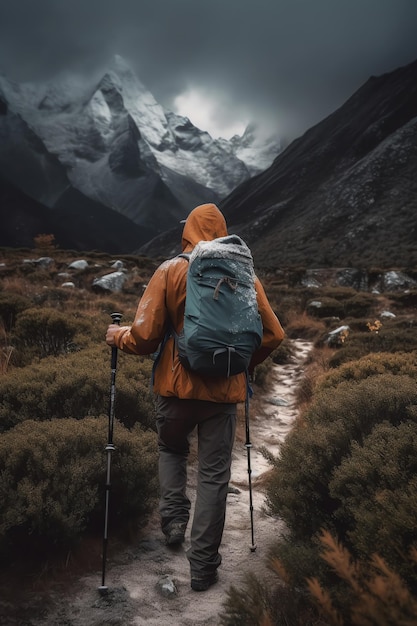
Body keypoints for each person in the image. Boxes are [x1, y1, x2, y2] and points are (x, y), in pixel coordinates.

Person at [106, 203, 285, 591]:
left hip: (174, 390)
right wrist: (241, 364)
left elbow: (144, 336)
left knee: (170, 451)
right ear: (222, 232)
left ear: (187, 231)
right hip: (223, 397)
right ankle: (203, 568)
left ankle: (172, 521)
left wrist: (116, 336)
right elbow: (274, 335)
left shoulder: (171, 270)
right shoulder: (244, 273)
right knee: (213, 477)